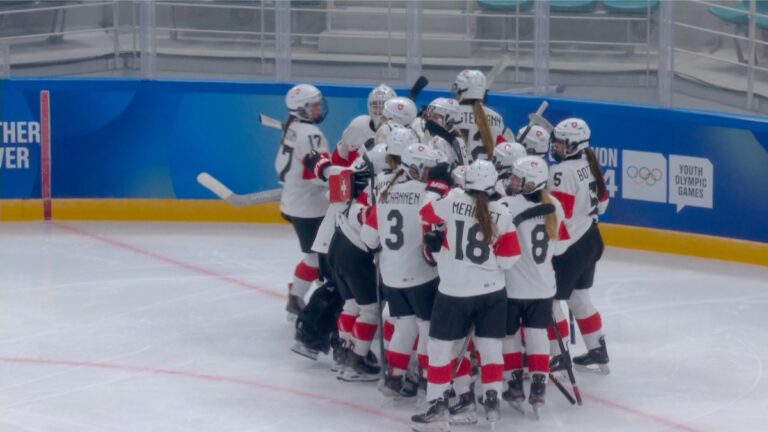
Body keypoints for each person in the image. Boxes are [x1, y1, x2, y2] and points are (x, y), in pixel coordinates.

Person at [412, 160, 521, 432]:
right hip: (491, 293)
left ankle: (437, 406)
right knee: (490, 349)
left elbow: (424, 213)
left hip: (454, 292)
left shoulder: (452, 201)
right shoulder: (503, 214)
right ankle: (492, 402)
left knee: (440, 349)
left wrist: (435, 187)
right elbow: (508, 261)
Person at [360, 143, 447, 399]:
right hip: (422, 275)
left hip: (391, 276)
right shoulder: (428, 195)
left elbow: (368, 238)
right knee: (427, 328)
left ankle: (394, 378)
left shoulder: (386, 192)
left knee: (404, 326)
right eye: (428, 168)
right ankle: (425, 381)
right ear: (416, 167)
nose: (431, 173)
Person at [497, 156, 571, 417]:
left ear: (531, 183)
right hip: (543, 287)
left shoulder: (506, 204)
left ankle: (514, 383)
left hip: (512, 287)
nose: (512, 181)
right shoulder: (556, 205)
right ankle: (539, 386)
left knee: (509, 336)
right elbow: (561, 246)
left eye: (518, 178)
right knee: (538, 334)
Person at [547, 118, 611, 374]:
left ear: (575, 144)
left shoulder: (561, 171)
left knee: (551, 302)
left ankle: (559, 356)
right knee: (579, 297)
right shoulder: (590, 163)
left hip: (570, 247)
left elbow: (559, 214)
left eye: (563, 143)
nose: (557, 147)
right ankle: (598, 349)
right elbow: (603, 204)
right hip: (592, 239)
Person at [274, 84, 331, 320]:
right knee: (316, 259)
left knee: (320, 257)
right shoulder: (311, 134)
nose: (319, 108)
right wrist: (342, 176)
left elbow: (281, 169)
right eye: (314, 105)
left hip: (294, 200)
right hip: (309, 206)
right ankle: (295, 299)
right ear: (301, 109)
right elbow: (316, 174)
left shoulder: (293, 129)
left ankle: (296, 297)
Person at [451, 70, 513, 162]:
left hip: (457, 173)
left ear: (460, 90)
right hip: (486, 174)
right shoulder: (497, 118)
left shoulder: (450, 113)